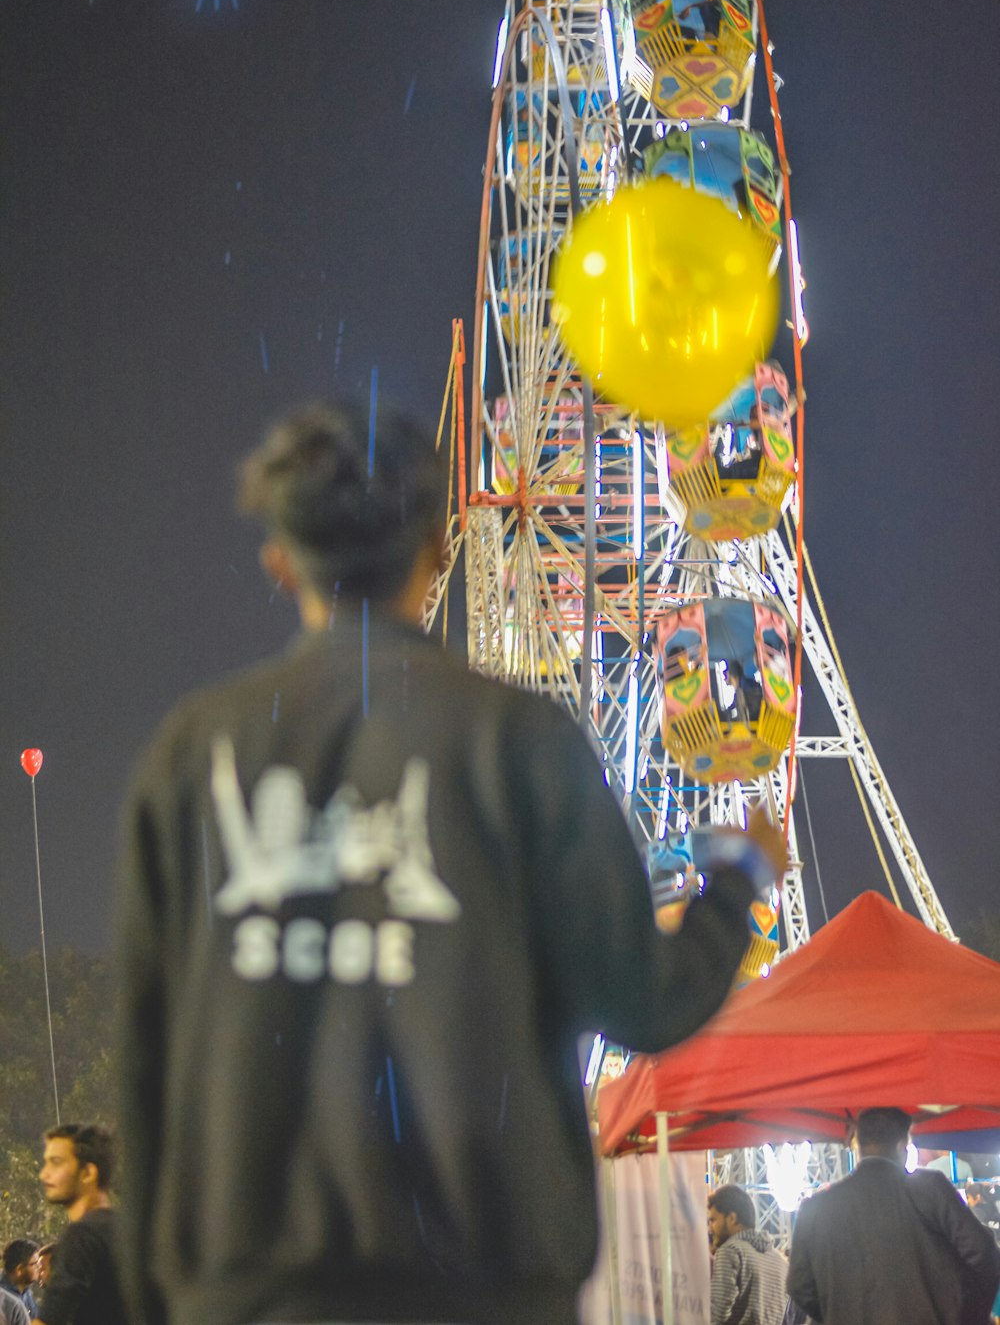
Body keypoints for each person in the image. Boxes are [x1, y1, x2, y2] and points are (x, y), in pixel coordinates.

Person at [116, 397, 788, 1325]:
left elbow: (149, 1070)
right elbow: (644, 1000)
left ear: (279, 560)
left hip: (250, 1293)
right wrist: (738, 885)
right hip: (484, 1285)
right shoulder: (522, 744)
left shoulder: (191, 757)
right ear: (441, 545)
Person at [787, 1107, 1000, 1324]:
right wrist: (966, 1315)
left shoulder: (816, 1208)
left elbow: (799, 1286)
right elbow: (983, 1253)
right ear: (902, 1146)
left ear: (858, 1145)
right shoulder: (930, 1190)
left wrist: (839, 1314)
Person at [35, 1124, 129, 1325]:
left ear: (88, 1173)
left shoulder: (82, 1235)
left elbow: (50, 1319)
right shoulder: (126, 1228)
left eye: (56, 1162)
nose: (44, 1174)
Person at [707, 1184, 788, 1325]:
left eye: (713, 1220)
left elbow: (716, 1315)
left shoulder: (731, 1251)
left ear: (731, 1218)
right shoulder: (780, 1262)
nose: (710, 1228)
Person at [0, 1242, 37, 1319]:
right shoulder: (4, 1298)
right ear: (19, 1269)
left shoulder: (26, 1292)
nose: (39, 1267)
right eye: (35, 1264)